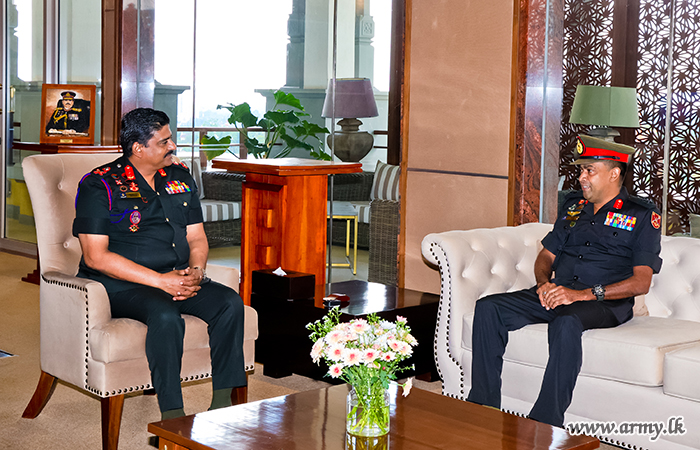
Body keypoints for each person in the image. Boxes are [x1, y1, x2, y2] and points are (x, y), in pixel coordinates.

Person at [466, 134, 663, 428]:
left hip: (603, 303)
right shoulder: (573, 206)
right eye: (581, 170)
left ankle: (545, 421)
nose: (582, 177)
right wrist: (543, 284)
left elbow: (641, 282)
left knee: (566, 322)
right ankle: (483, 407)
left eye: (589, 171)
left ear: (614, 174)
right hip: (559, 292)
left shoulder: (642, 215)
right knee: (488, 307)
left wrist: (581, 295)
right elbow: (546, 255)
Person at [72, 108, 246, 420]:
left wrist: (197, 271)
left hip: (176, 276)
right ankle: (172, 414)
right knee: (165, 315)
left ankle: (223, 404)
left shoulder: (180, 177)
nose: (173, 146)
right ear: (138, 148)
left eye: (171, 139)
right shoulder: (99, 185)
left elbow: (196, 237)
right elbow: (95, 257)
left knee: (229, 303)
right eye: (164, 142)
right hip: (122, 284)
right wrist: (160, 281)